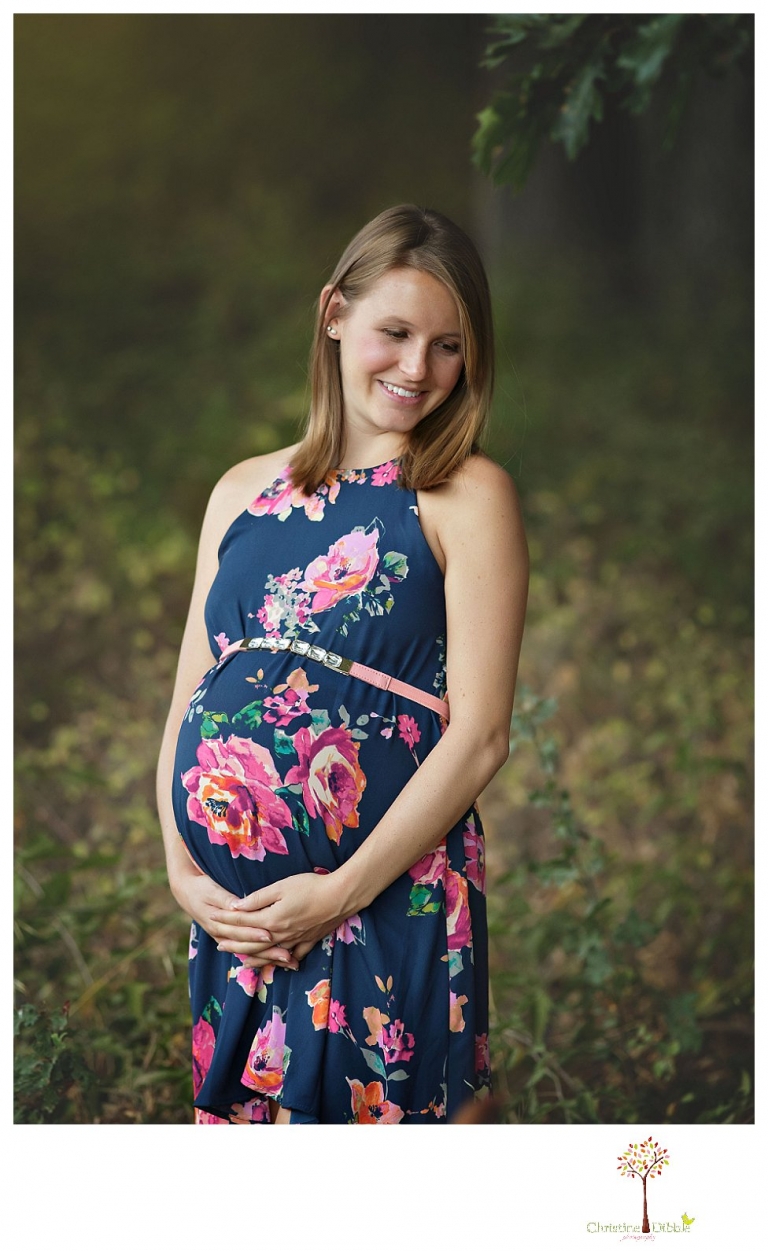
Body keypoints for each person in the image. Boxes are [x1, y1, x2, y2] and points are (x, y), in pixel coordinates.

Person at [156, 204, 529, 1125]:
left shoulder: (463, 494)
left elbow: (481, 735)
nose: (417, 367)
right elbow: (186, 702)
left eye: (448, 346)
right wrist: (184, 876)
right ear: (334, 315)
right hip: (244, 920)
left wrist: (337, 895)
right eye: (395, 332)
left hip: (385, 897)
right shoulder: (240, 492)